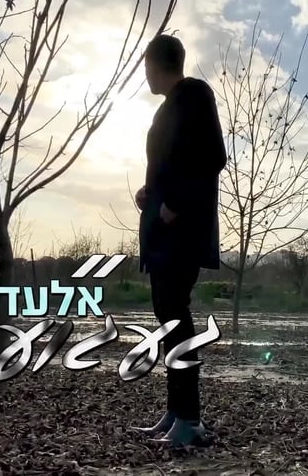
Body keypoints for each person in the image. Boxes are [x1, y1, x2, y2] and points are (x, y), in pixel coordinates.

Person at [129, 34, 227, 448]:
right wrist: (151, 194)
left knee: (176, 316)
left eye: (146, 67)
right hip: (162, 230)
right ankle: (176, 412)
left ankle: (190, 420)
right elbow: (173, 163)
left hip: (181, 230)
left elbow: (213, 156)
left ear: (156, 64)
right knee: (167, 316)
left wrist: (176, 205)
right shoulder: (168, 107)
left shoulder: (194, 94)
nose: (145, 76)